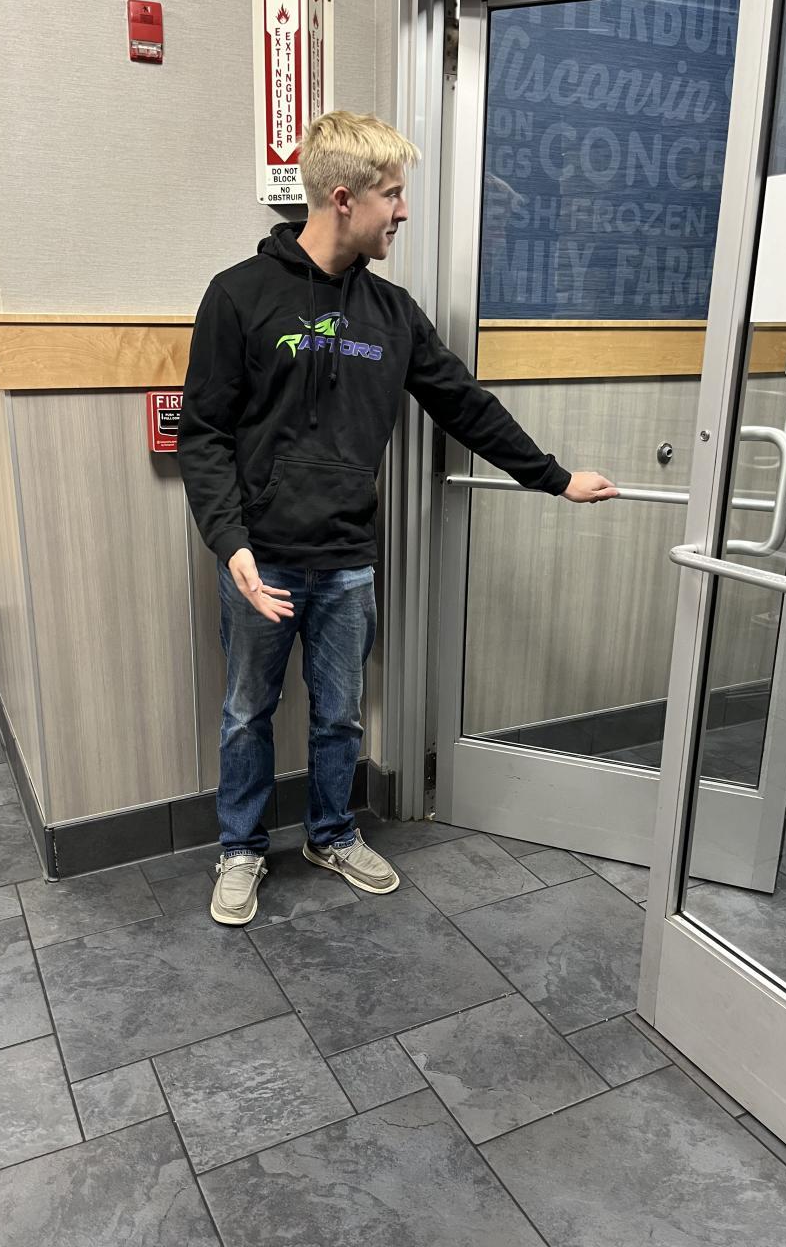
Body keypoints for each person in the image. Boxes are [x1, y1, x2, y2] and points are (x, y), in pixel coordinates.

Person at [178, 110, 617, 926]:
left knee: (340, 715)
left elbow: (463, 402)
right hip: (261, 559)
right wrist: (230, 541)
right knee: (246, 714)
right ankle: (240, 849)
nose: (404, 211)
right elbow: (203, 435)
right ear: (344, 199)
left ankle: (331, 834)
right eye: (393, 194)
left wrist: (552, 478)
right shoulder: (238, 295)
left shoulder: (391, 312)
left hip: (349, 557)